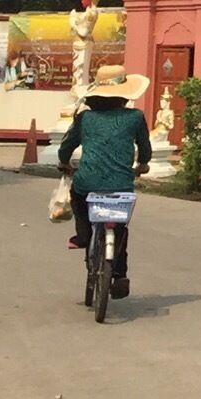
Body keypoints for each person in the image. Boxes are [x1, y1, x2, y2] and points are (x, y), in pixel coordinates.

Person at [59, 63, 152, 298]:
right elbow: (145, 149)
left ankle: (83, 236)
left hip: (87, 182)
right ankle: (119, 274)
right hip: (121, 185)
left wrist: (64, 163)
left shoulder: (86, 118)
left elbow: (67, 147)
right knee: (120, 228)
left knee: (79, 200)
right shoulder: (135, 117)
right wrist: (142, 165)